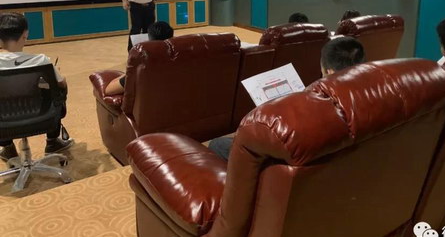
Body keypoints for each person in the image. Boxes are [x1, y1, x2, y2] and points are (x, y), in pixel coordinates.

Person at [208, 37, 366, 161]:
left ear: (329, 71)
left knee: (218, 144)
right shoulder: (368, 97)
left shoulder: (316, 110)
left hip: (283, 166)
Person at [0, 13, 73, 162]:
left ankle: (7, 147)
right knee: (55, 91)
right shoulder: (41, 61)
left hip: (3, 122)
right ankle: (52, 141)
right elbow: (62, 84)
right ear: (25, 34)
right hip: (42, 117)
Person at [105, 21, 174, 95]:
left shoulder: (142, 68)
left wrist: (128, 72)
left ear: (150, 40)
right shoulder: (179, 62)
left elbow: (109, 90)